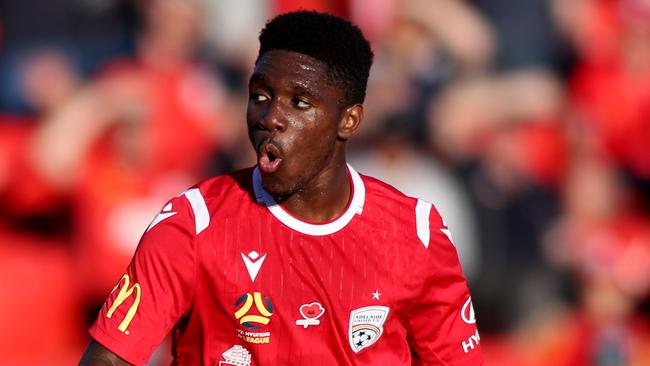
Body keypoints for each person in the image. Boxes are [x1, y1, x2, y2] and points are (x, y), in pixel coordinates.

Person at [79, 10, 483, 365]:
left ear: (349, 120)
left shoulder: (414, 232)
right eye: (260, 96)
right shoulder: (192, 224)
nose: (271, 117)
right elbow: (109, 357)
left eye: (300, 102)